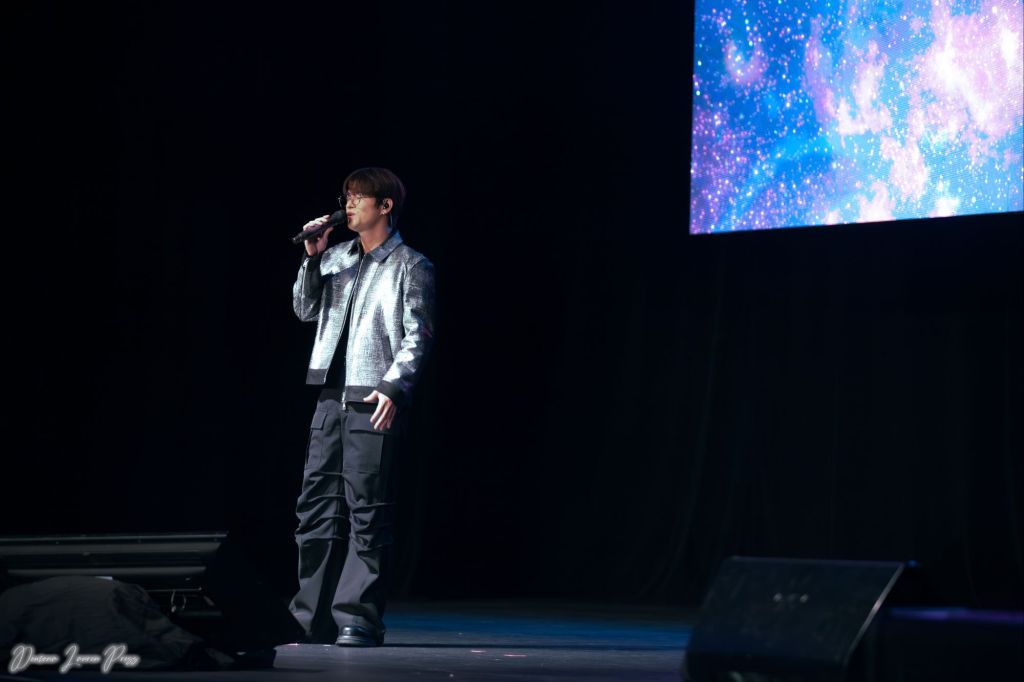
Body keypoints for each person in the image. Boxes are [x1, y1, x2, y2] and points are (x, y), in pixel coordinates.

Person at [288, 167, 435, 647]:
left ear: (385, 206)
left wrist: (394, 386)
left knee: (366, 509)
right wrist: (312, 259)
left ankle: (359, 617)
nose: (348, 205)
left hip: (372, 396)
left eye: (358, 197)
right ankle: (310, 617)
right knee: (316, 507)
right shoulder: (336, 259)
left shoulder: (411, 265)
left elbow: (418, 334)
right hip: (329, 396)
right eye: (346, 197)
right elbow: (304, 310)